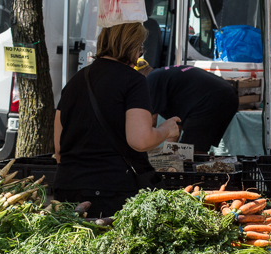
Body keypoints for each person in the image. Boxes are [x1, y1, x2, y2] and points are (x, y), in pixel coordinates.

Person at [53, 22, 181, 217]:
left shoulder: (76, 80)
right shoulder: (133, 81)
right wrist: (166, 129)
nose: (140, 54)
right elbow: (140, 140)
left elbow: (59, 150)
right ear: (131, 46)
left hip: (68, 188)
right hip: (112, 192)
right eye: (140, 48)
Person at [146, 65, 238, 153]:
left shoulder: (150, 79)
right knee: (194, 148)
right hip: (228, 95)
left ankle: (198, 167)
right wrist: (169, 151)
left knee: (190, 151)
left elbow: (150, 123)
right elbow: (176, 124)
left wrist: (142, 149)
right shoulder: (166, 78)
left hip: (212, 99)